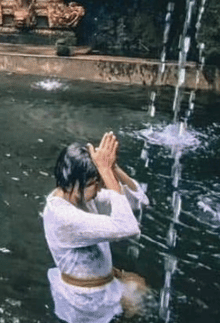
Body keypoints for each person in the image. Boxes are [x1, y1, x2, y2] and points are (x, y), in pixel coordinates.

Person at [43, 132, 149, 323]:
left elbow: (139, 201)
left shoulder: (80, 193)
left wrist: (113, 168)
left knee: (141, 291)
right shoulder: (63, 216)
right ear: (72, 183)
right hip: (85, 302)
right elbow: (128, 227)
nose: (100, 189)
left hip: (106, 283)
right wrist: (106, 172)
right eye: (94, 183)